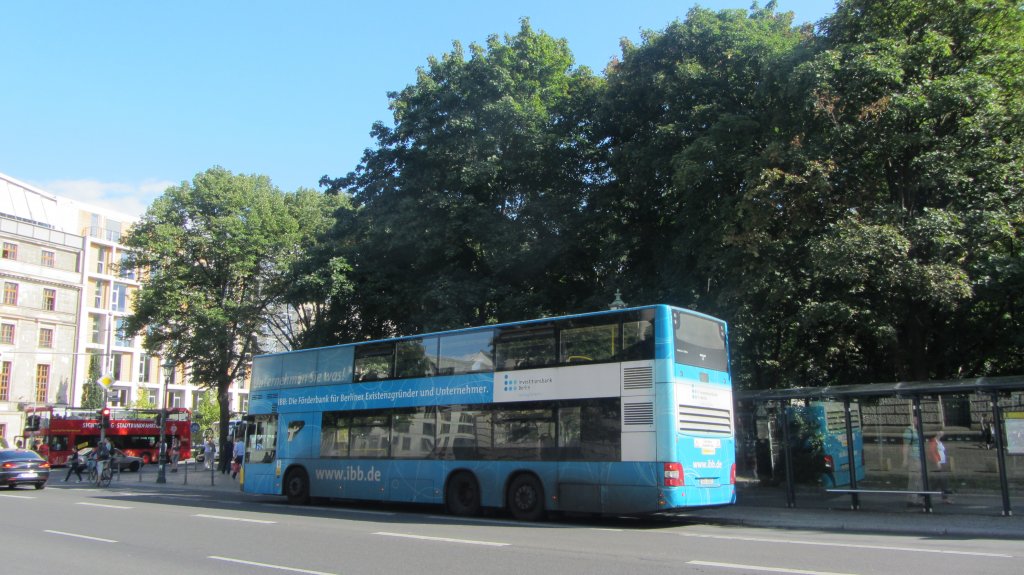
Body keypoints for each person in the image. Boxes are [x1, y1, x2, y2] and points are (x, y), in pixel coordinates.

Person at [928, 431, 953, 503]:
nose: (942, 434)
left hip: (942, 463)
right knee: (937, 481)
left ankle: (945, 497)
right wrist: (937, 462)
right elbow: (932, 452)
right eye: (940, 432)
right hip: (937, 464)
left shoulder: (939, 442)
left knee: (942, 481)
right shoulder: (933, 442)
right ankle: (927, 497)